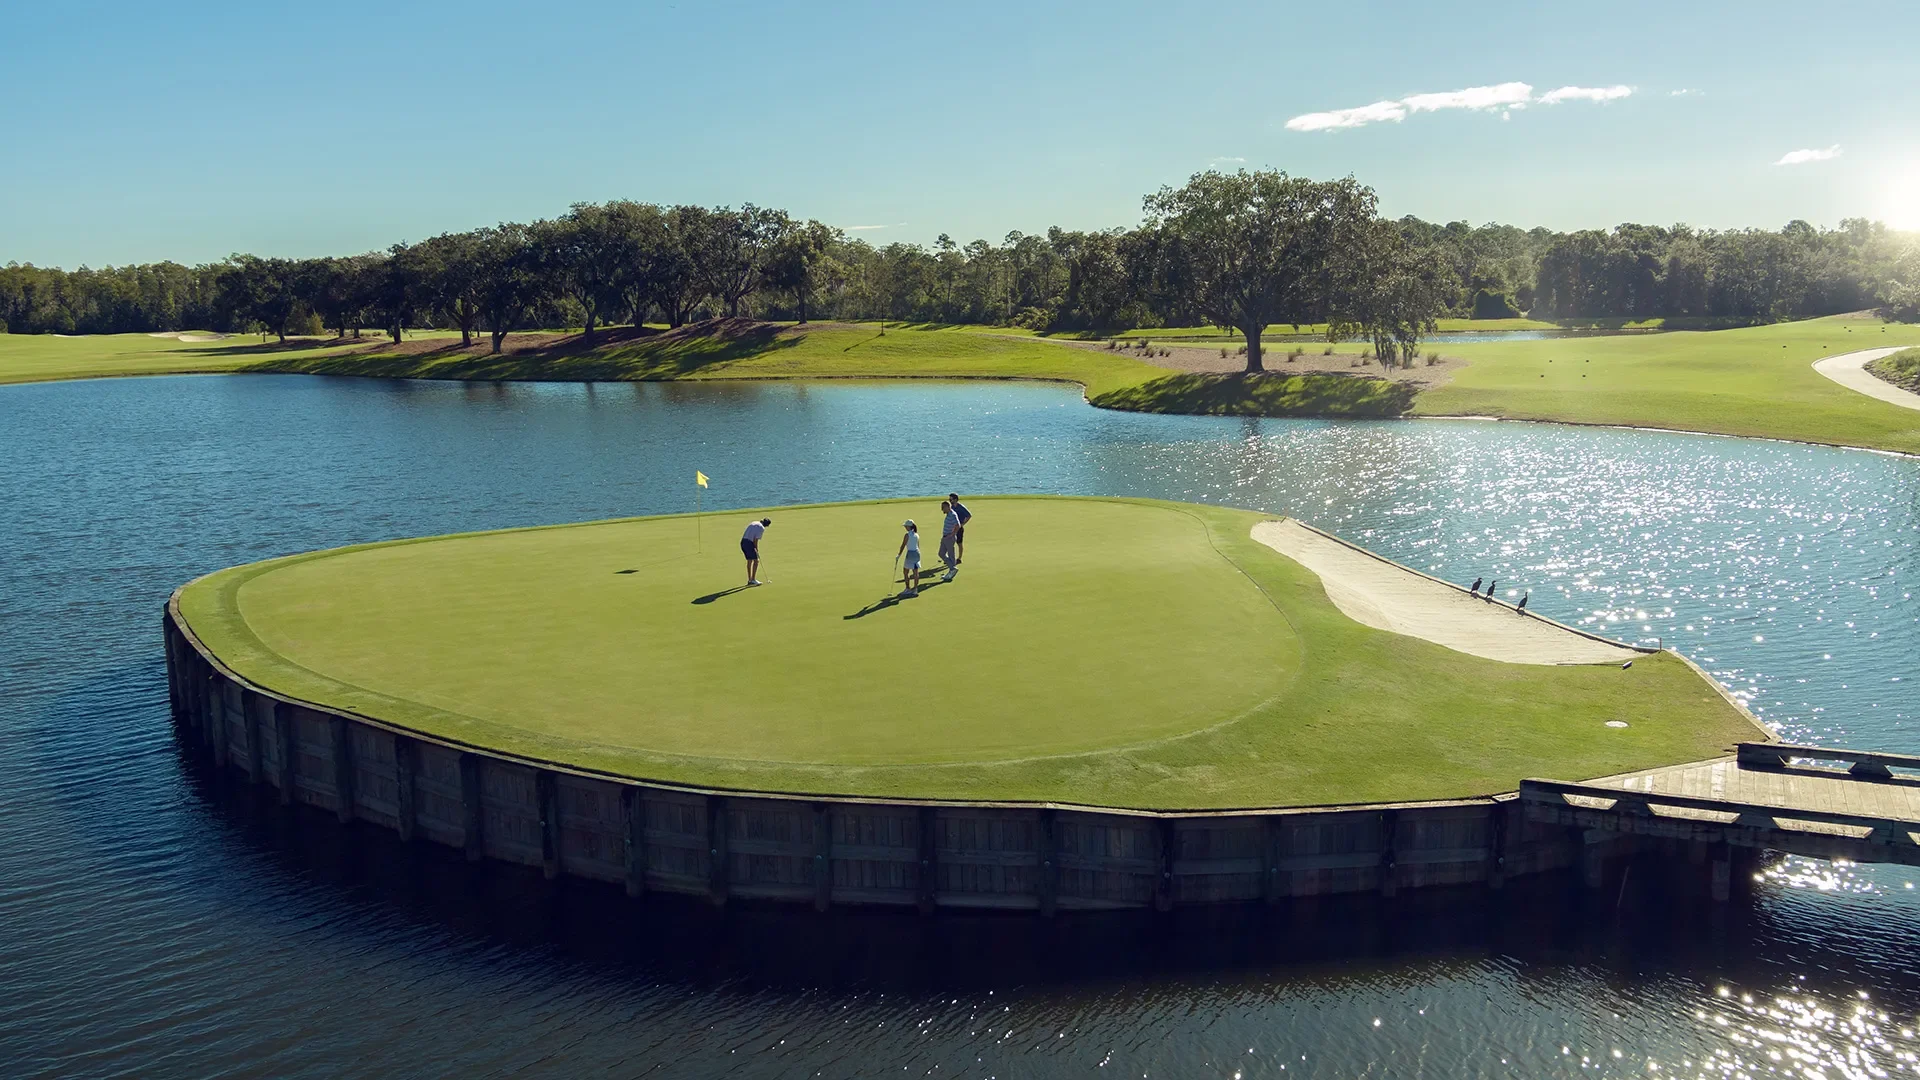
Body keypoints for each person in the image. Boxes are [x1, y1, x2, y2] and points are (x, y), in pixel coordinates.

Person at [740, 517, 771, 586]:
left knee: (750, 561)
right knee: (756, 561)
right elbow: (755, 540)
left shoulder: (754, 522)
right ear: (766, 525)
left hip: (743, 542)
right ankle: (753, 579)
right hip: (749, 543)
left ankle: (750, 580)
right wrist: (756, 549)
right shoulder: (761, 528)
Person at [895, 519, 922, 597]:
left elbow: (903, 545)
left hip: (910, 554)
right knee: (915, 572)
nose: (905, 527)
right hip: (917, 553)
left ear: (909, 527)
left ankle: (907, 589)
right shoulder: (916, 534)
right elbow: (918, 546)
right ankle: (915, 590)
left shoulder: (907, 535)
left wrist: (899, 555)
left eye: (906, 526)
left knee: (906, 571)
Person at [948, 493, 972, 565]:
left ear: (955, 499)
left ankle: (959, 558)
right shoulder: (951, 507)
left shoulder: (961, 507)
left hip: (959, 528)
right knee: (950, 543)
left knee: (959, 543)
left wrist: (962, 524)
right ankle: (951, 558)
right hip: (951, 528)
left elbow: (969, 515)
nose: (950, 500)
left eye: (951, 499)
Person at [938, 500, 960, 581]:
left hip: (949, 538)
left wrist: (952, 534)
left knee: (951, 555)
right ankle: (952, 568)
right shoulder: (948, 514)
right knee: (941, 553)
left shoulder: (953, 514)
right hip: (945, 537)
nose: (942, 509)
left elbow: (958, 525)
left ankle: (952, 570)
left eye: (943, 507)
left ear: (947, 507)